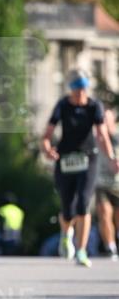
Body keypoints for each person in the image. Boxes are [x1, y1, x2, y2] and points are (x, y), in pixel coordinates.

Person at [41, 68, 118, 267]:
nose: (80, 94)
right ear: (71, 90)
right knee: (68, 209)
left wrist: (111, 157)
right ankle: (66, 233)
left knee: (83, 203)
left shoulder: (94, 107)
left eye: (83, 89)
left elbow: (102, 135)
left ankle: (81, 251)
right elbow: (47, 135)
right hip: (65, 159)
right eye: (76, 90)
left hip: (88, 159)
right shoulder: (62, 105)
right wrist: (48, 149)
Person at [95, 103, 119, 260]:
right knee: (104, 213)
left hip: (118, 184)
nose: (103, 121)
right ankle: (110, 246)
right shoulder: (95, 137)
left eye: (106, 118)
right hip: (101, 183)